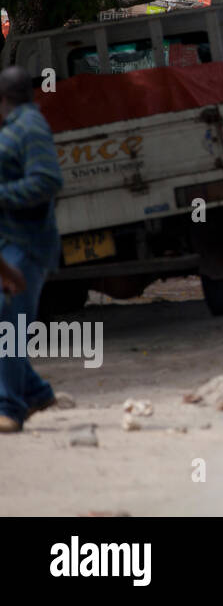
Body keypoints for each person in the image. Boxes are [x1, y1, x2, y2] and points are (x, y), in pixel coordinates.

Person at [0, 66, 64, 433]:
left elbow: (47, 180)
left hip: (26, 244)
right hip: (11, 242)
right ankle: (36, 392)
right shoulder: (14, 128)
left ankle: (10, 407)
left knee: (9, 323)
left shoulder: (30, 127)